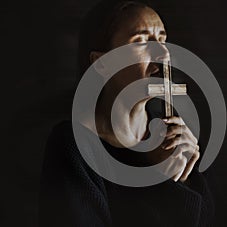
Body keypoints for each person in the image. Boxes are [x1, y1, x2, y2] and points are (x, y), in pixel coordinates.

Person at [39, 1, 215, 226]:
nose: (163, 53)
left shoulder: (178, 137)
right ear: (101, 63)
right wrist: (161, 182)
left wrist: (188, 179)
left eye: (162, 39)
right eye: (140, 41)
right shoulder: (74, 148)